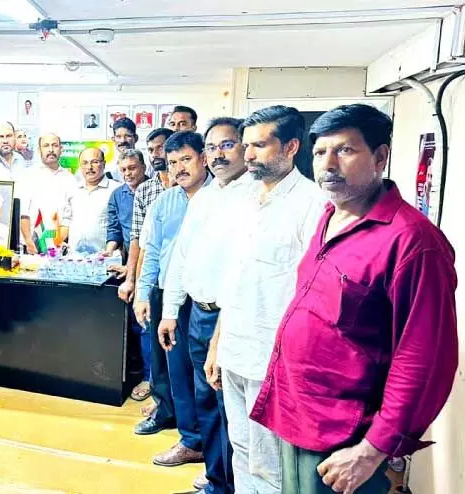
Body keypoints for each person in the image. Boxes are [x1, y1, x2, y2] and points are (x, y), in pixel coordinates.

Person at [251, 104, 459, 494]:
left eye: (345, 150)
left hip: (347, 434)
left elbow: (424, 360)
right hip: (300, 413)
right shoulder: (330, 216)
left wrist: (371, 450)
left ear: (380, 157)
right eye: (319, 152)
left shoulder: (412, 242)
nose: (327, 164)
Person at [202, 106, 326, 493]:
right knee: (240, 450)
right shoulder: (245, 201)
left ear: (290, 147)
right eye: (247, 145)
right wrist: (217, 345)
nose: (249, 154)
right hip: (235, 352)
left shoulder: (313, 204)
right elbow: (234, 282)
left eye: (259, 145)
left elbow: (313, 295)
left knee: (271, 464)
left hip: (273, 361)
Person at [159, 118, 253, 493]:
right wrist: (170, 312)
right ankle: (217, 481)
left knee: (234, 409)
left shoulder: (256, 196)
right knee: (208, 405)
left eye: (226, 145)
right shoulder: (206, 197)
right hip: (198, 314)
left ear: (245, 147)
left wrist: (222, 330)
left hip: (233, 319)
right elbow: (182, 257)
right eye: (212, 147)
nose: (218, 154)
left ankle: (236, 484)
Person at [128, 131, 208, 471]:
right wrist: (143, 294)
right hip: (167, 295)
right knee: (175, 370)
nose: (179, 168)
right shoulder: (164, 202)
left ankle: (208, 441)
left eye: (186, 159)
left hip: (203, 298)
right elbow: (152, 251)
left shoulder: (220, 199)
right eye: (173, 162)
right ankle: (190, 439)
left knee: (203, 373)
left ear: (203, 158)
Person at [120, 128, 175, 434]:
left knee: (179, 349)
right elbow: (139, 241)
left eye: (161, 148)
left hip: (185, 282)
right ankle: (160, 399)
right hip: (154, 277)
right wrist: (136, 281)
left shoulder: (198, 189)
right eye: (152, 149)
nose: (157, 154)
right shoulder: (145, 191)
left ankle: (177, 410)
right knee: (151, 336)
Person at [105, 148, 151, 401]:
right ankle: (135, 371)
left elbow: (144, 239)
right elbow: (115, 230)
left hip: (147, 267)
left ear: (143, 167)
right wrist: (110, 251)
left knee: (146, 324)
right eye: (123, 170)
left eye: (132, 168)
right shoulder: (117, 194)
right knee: (132, 324)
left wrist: (133, 271)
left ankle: (150, 377)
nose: (128, 173)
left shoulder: (155, 190)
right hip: (125, 266)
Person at [19, 133, 76, 254]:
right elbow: (23, 214)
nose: (51, 149)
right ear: (39, 150)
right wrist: (29, 242)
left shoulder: (70, 179)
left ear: (61, 149)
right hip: (31, 245)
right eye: (46, 146)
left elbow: (68, 217)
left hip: (58, 247)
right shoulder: (28, 176)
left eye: (55, 145)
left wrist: (59, 242)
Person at [60, 148, 121, 253]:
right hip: (74, 256)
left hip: (104, 255)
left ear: (104, 164)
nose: (89, 167)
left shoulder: (116, 189)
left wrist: (111, 250)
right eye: (85, 163)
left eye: (95, 162)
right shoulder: (73, 189)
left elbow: (121, 225)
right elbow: (67, 220)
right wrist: (60, 241)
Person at [105, 117, 154, 182]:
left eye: (127, 136)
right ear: (113, 139)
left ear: (136, 138)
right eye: (118, 136)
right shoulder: (108, 168)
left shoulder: (149, 164)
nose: (123, 140)